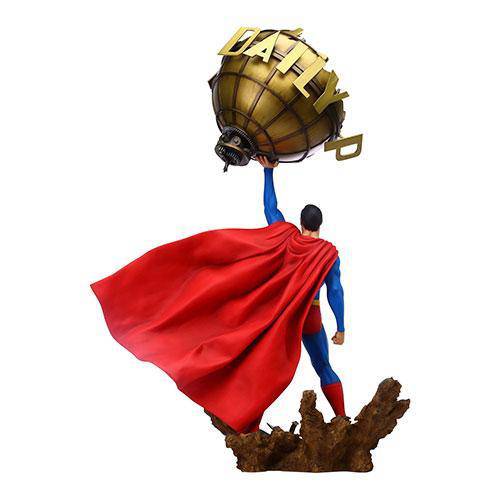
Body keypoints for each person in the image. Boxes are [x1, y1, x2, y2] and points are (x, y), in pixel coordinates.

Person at [258, 155, 346, 417]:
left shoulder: (287, 239)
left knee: (261, 370)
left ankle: (249, 421)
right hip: (310, 315)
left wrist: (268, 172)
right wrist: (341, 328)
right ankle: (341, 417)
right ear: (320, 225)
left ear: (301, 223)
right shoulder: (328, 254)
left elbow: (270, 209)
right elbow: (335, 291)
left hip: (283, 315)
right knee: (324, 367)